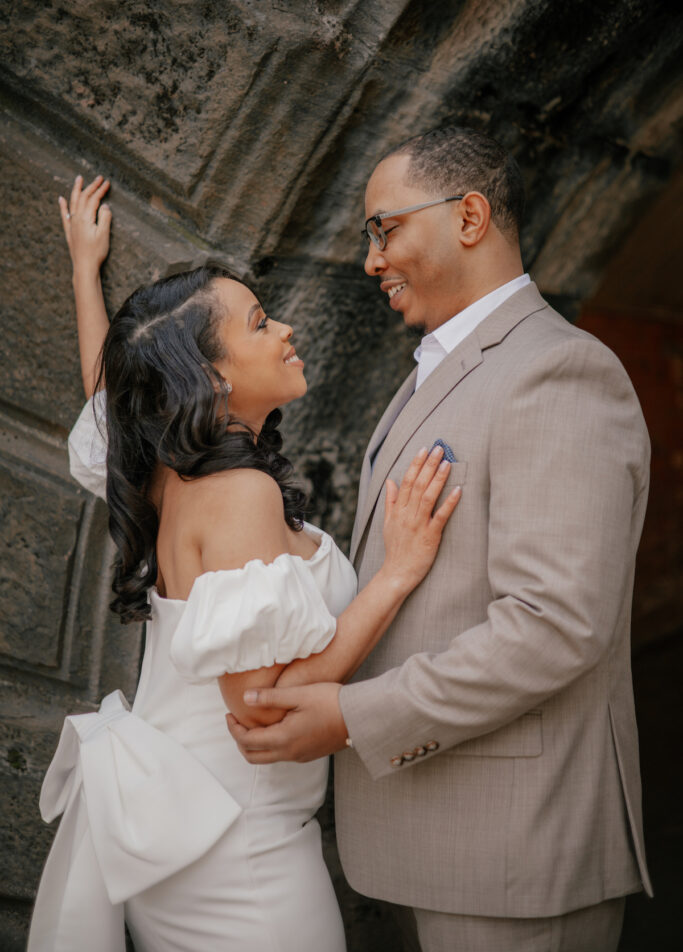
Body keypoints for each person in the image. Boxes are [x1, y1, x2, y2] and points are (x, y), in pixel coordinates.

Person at [226, 126, 653, 952]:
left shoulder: (557, 370)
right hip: (443, 837)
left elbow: (553, 625)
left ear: (468, 217)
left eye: (384, 229)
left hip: (517, 855)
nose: (370, 259)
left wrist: (351, 716)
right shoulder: (443, 366)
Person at [27, 175, 461, 952]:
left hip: (185, 825)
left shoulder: (161, 465)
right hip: (242, 856)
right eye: (261, 323)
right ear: (212, 377)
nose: (287, 329)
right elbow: (260, 707)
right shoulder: (237, 494)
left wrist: (84, 271)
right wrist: (397, 572)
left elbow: (107, 394)